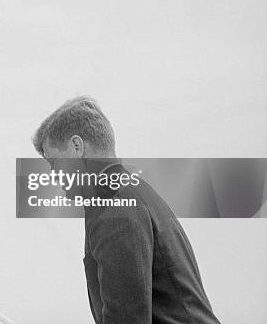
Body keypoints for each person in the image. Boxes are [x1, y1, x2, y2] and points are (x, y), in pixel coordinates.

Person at [32, 96, 221, 324]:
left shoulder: (114, 205)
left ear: (76, 146)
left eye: (54, 163)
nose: (53, 175)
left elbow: (127, 319)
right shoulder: (134, 192)